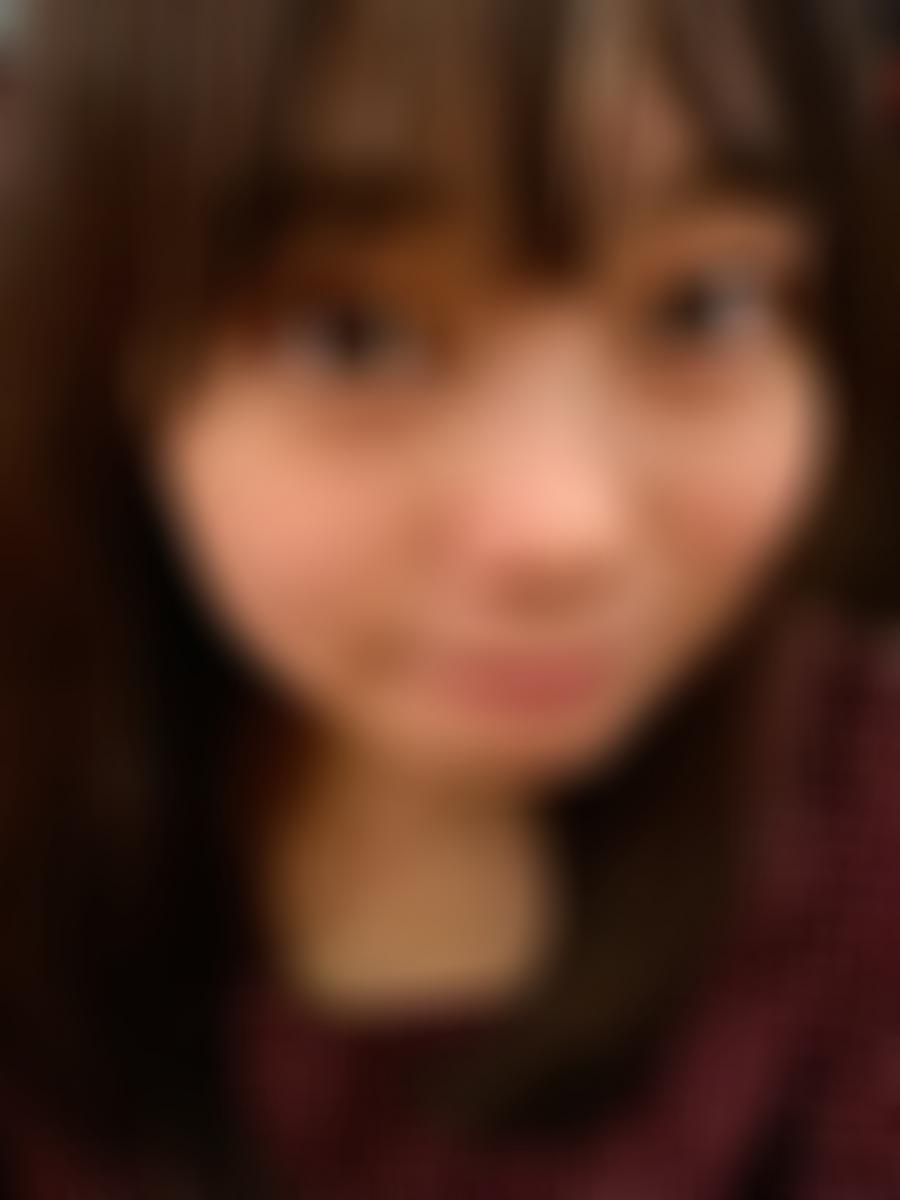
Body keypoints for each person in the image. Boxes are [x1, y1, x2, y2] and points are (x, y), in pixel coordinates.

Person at [0, 0, 898, 1195]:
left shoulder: (863, 825)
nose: (564, 529)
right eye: (350, 335)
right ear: (111, 347)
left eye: (706, 306)